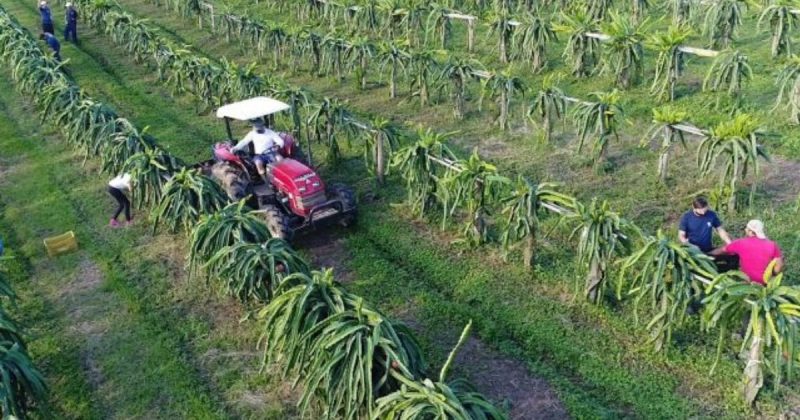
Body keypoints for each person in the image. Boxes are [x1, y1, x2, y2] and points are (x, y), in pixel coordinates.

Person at [710, 220, 784, 285]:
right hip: (765, 281)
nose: (745, 230)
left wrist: (707, 254)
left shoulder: (741, 243)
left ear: (750, 232)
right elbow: (779, 264)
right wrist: (773, 276)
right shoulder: (772, 245)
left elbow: (722, 250)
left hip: (747, 280)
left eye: (747, 229)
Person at [230, 120, 284, 184]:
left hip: (270, 152)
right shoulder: (252, 134)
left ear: (263, 126)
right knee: (258, 163)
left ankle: (281, 178)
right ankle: (267, 182)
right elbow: (244, 141)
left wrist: (278, 145)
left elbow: (280, 141)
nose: (258, 130)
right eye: (257, 128)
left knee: (280, 159)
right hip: (259, 155)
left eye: (260, 128)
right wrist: (236, 148)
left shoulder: (270, 133)